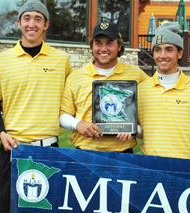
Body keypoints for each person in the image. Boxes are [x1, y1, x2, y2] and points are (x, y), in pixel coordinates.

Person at [0, 0, 72, 213]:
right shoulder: (2, 61)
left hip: (49, 153)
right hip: (13, 152)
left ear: (46, 25)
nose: (31, 24)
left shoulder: (62, 61)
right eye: (27, 18)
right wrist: (1, 133)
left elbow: (77, 98)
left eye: (38, 18)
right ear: (19, 22)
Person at [60, 22, 148, 154]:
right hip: (85, 152)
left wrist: (134, 129)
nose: (103, 48)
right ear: (92, 46)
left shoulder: (137, 75)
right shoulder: (75, 77)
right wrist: (77, 124)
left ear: (119, 46)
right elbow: (63, 114)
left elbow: (150, 112)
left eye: (109, 43)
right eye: (98, 43)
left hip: (123, 153)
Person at [137, 22, 190, 159]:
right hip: (151, 166)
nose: (162, 55)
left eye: (169, 49)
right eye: (158, 50)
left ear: (180, 53)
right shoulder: (141, 90)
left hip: (188, 168)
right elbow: (142, 129)